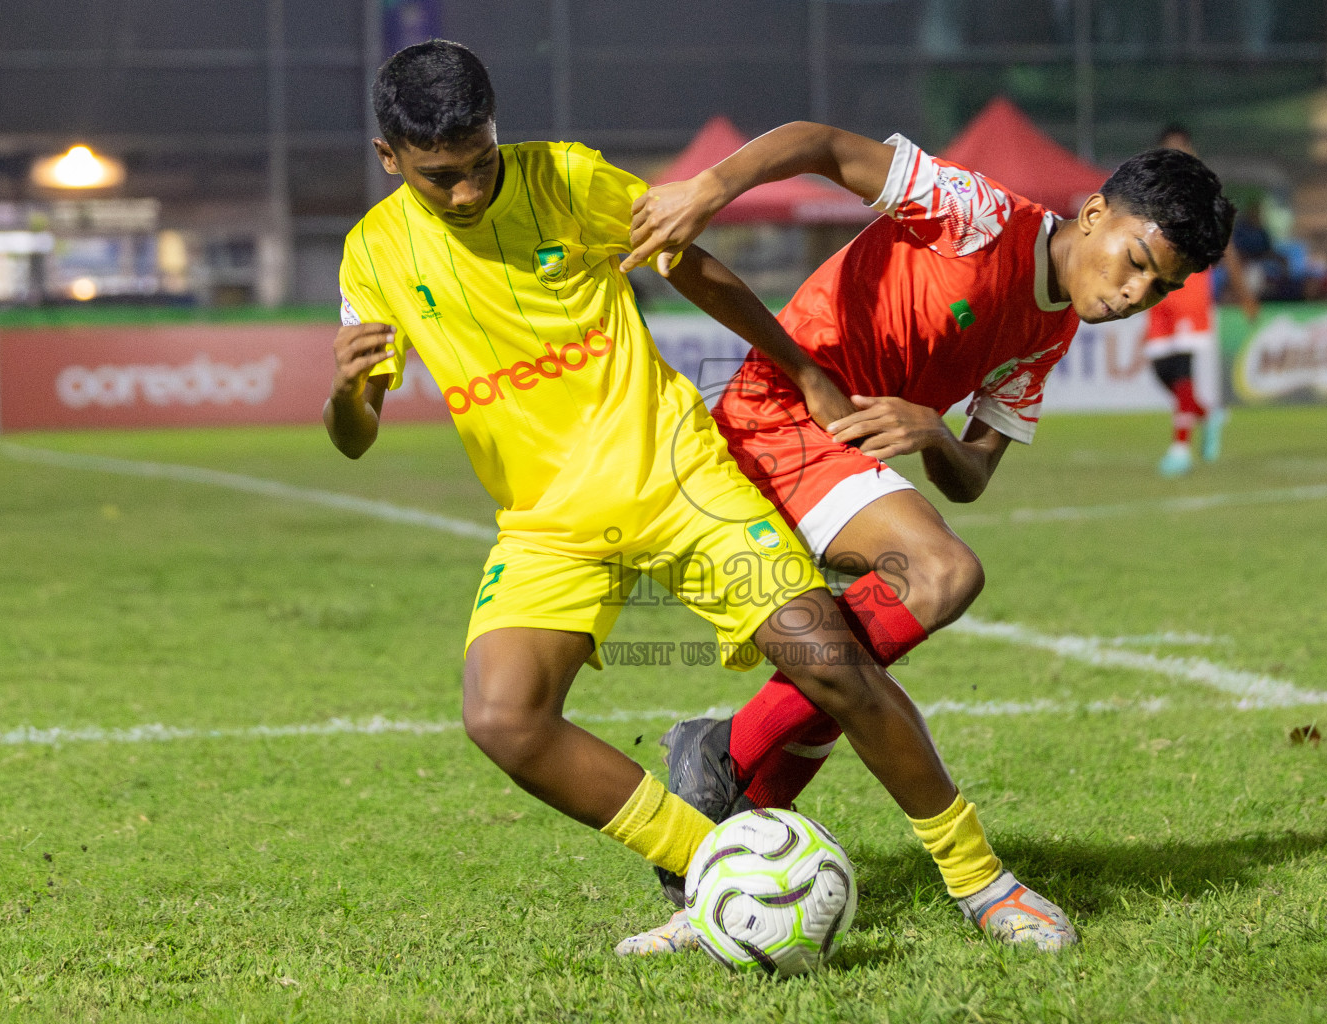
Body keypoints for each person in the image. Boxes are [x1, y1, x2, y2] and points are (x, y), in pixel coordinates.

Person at [328, 40, 1074, 963]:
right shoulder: (371, 256)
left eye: (481, 162)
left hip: (680, 481)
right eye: (441, 177)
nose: (469, 192)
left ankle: (981, 882)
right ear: (388, 158)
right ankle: (714, 866)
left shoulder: (563, 178)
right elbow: (355, 432)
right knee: (502, 719)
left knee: (831, 664)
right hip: (546, 523)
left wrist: (803, 369)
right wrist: (346, 392)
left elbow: (692, 266)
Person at [615, 119, 1235, 951]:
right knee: (940, 575)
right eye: (1133, 262)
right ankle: (731, 753)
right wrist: (709, 188)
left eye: (1157, 289)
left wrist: (934, 433)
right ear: (1092, 214)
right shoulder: (977, 215)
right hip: (779, 414)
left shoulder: (1046, 337)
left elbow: (971, 476)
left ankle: (743, 810)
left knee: (853, 658)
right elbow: (821, 145)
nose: (1130, 296)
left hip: (836, 449)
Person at [1143, 126, 1259, 478]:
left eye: (1181, 149)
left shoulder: (1204, 192)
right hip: (1157, 290)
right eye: (1169, 150)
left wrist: (1243, 295)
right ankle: (1210, 415)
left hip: (1190, 287)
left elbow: (1227, 246)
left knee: (1181, 371)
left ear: (1191, 151)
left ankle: (1180, 448)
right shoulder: (1151, 192)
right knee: (1161, 369)